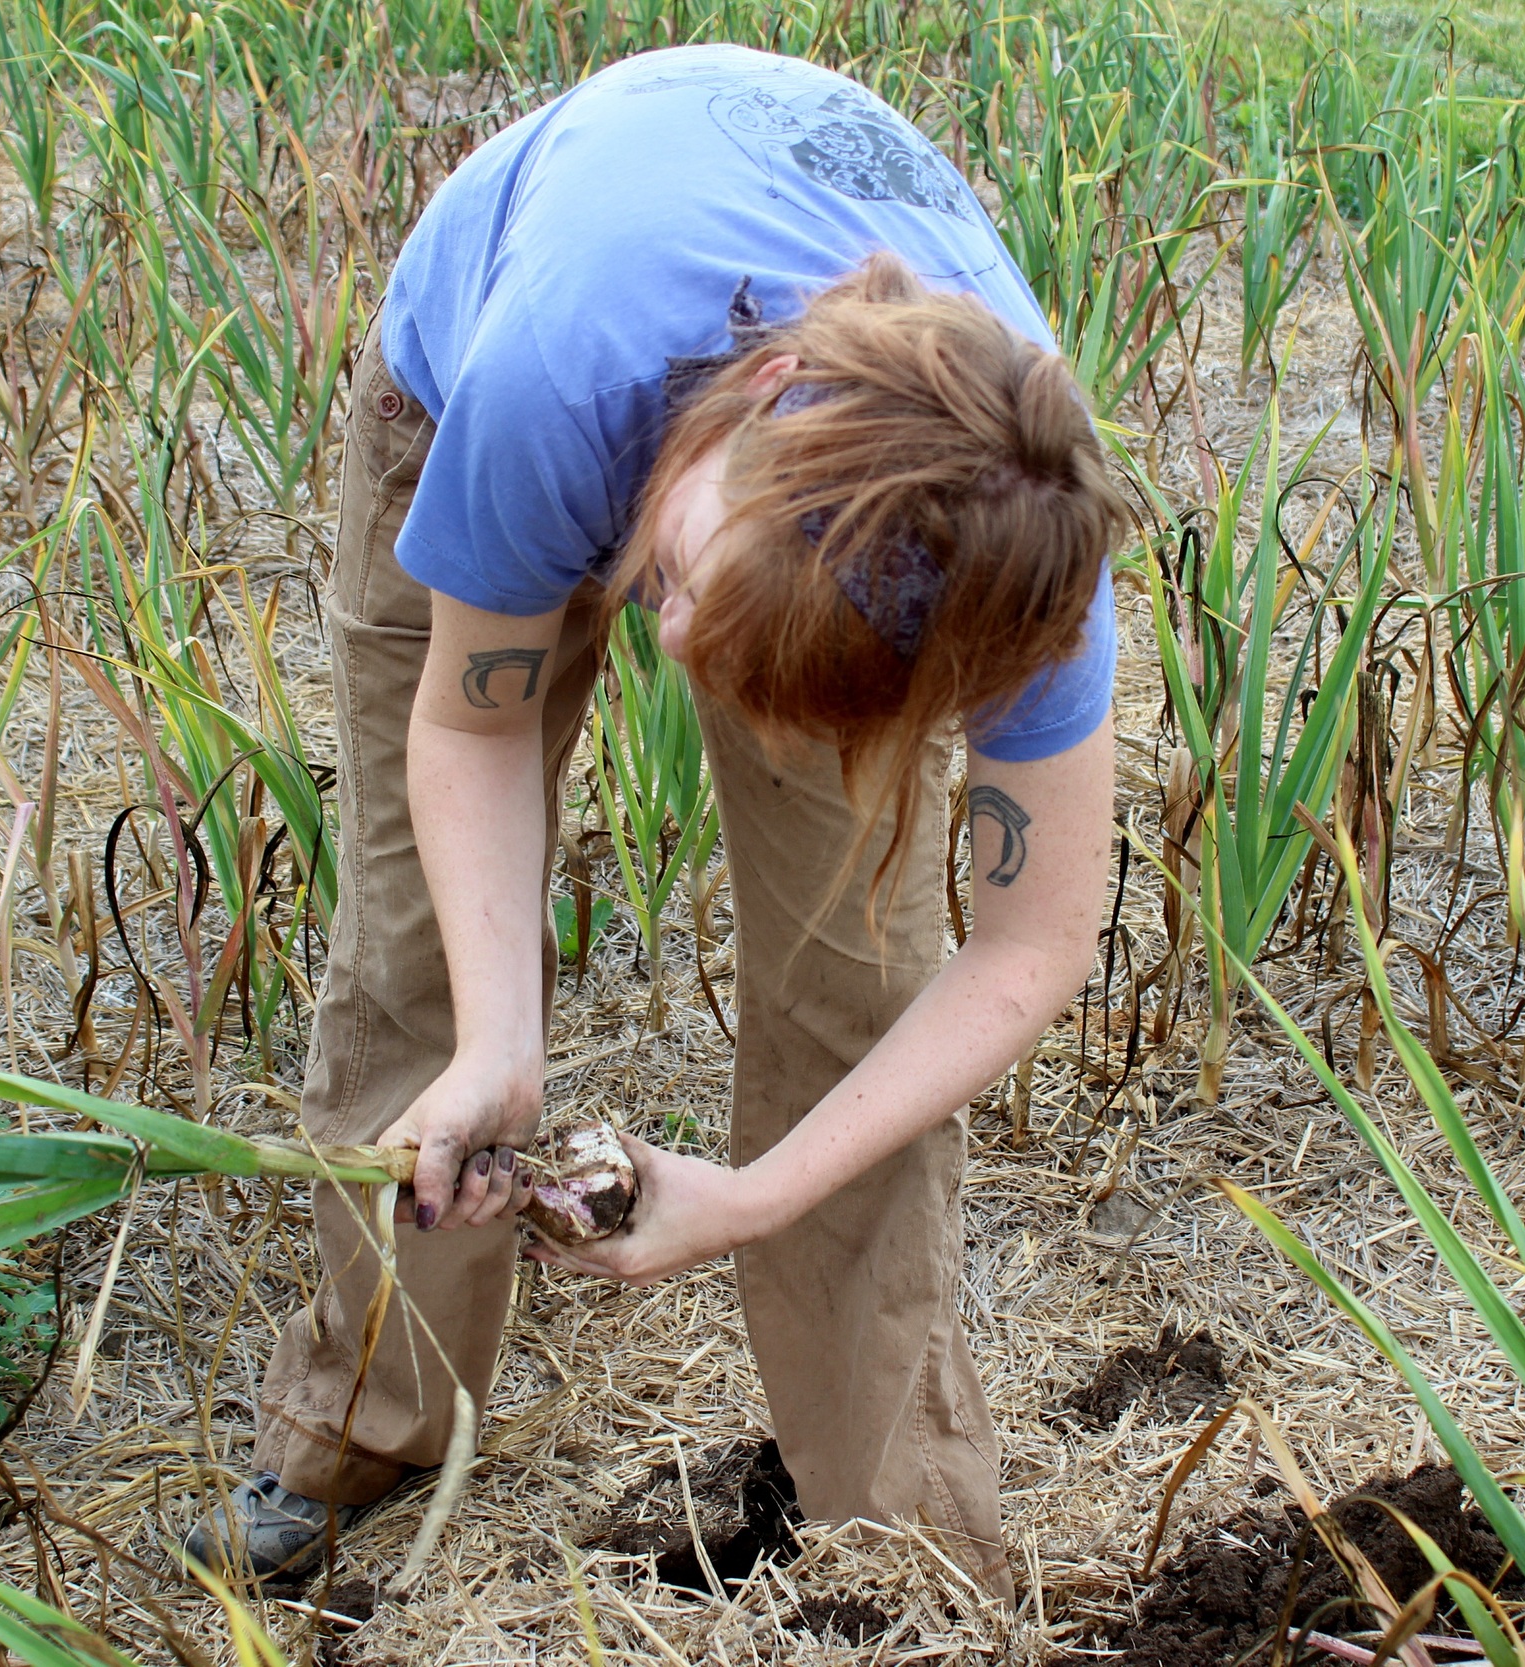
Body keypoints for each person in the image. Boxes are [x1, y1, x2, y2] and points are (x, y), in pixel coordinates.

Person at [184, 42, 1121, 1601]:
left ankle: (891, 1544)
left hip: (800, 508)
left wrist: (753, 1196)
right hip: (486, 371)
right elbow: (471, 720)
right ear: (761, 400)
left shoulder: (1013, 571)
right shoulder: (559, 374)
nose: (669, 646)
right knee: (422, 966)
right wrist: (502, 1045)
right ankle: (365, 1431)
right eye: (682, 583)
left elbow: (1033, 939)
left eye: (724, 644)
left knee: (859, 987)